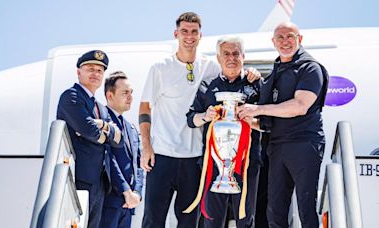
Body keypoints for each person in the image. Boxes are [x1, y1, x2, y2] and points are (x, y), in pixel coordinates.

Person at [139, 12, 261, 228]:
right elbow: (145, 107)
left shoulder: (210, 66)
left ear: (200, 35)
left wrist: (252, 72)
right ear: (176, 34)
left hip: (196, 159)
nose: (189, 36)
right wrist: (146, 147)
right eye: (184, 31)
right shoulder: (160, 68)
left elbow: (232, 68)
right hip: (163, 155)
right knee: (153, 219)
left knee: (191, 221)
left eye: (194, 32)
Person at [237, 22, 329, 228]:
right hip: (277, 147)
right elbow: (267, 122)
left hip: (304, 144)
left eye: (290, 36)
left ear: (300, 39)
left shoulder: (310, 68)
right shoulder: (277, 71)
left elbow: (300, 106)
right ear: (273, 42)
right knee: (275, 210)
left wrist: (258, 109)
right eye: (280, 37)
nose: (285, 41)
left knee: (306, 207)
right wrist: (242, 118)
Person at [186, 36, 261, 228]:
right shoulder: (207, 86)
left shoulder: (257, 84)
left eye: (236, 53)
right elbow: (191, 119)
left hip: (247, 164)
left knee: (245, 219)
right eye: (226, 54)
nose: (231, 58)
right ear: (218, 58)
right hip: (214, 166)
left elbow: (269, 121)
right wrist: (206, 116)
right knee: (212, 221)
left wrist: (251, 119)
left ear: (243, 56)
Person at [57, 50, 122, 228]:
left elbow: (119, 140)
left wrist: (101, 125)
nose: (95, 74)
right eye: (90, 69)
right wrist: (103, 133)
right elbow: (90, 131)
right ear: (79, 72)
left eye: (100, 71)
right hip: (79, 178)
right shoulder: (71, 97)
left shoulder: (100, 107)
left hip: (99, 182)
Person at [101, 71, 144, 228]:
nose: (130, 97)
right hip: (109, 202)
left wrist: (137, 193)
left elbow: (139, 164)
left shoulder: (131, 128)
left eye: (131, 92)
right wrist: (126, 192)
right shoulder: (102, 121)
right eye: (125, 92)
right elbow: (107, 158)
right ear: (110, 95)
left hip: (128, 205)